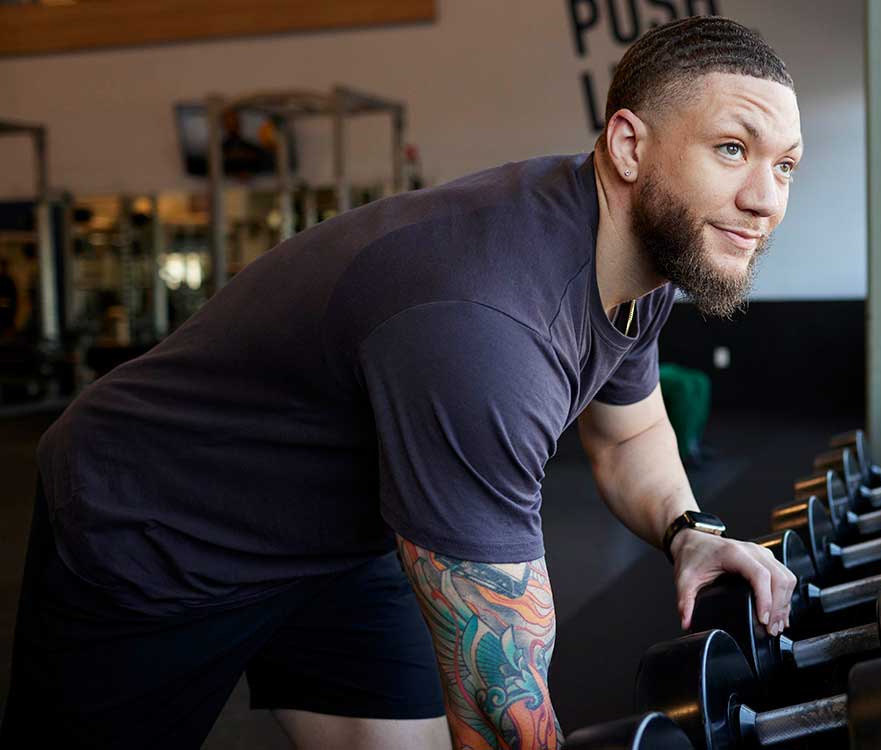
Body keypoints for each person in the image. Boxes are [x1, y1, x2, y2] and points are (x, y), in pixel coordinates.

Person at [1, 15, 803, 749]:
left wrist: (688, 530)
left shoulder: (643, 259)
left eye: (787, 165)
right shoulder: (489, 325)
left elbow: (629, 434)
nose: (767, 199)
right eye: (732, 149)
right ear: (630, 146)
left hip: (346, 531)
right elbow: (503, 706)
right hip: (162, 524)